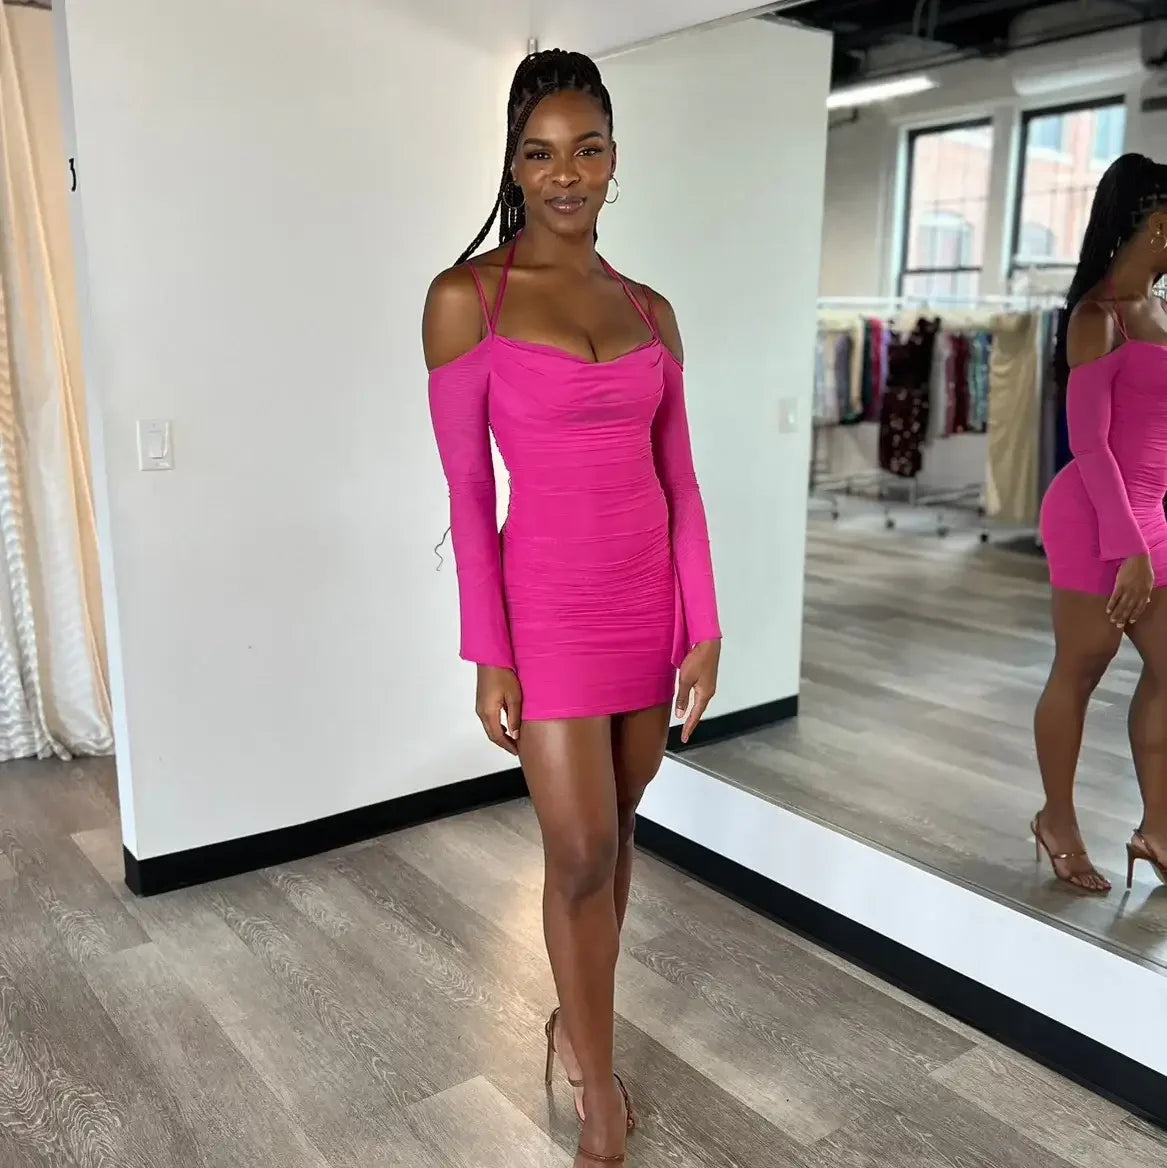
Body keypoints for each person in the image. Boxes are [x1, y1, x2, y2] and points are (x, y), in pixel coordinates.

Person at [423, 49, 721, 1165]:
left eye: (586, 150)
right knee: (582, 843)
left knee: (624, 820)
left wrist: (705, 621)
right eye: (541, 153)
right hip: (543, 606)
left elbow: (681, 482)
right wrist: (486, 653)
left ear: (613, 162)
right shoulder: (470, 301)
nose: (566, 175)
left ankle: (575, 1014)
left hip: (647, 602)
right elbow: (465, 490)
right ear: (513, 161)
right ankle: (598, 1082)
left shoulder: (651, 309)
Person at [1034, 152, 1167, 895]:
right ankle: (1056, 817)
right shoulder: (1097, 317)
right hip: (1094, 515)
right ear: (1153, 225)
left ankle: (1156, 828)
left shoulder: (1158, 309)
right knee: (1079, 670)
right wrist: (1127, 548)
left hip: (1148, 514)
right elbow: (1088, 445)